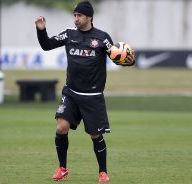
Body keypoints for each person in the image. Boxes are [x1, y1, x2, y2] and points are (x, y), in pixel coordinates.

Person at [35, 0, 134, 182]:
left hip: (92, 96)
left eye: (79, 15)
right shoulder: (69, 35)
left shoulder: (102, 38)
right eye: (74, 15)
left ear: (89, 17)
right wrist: (41, 30)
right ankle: (62, 168)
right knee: (61, 127)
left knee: (95, 135)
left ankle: (102, 172)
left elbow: (117, 57)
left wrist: (129, 61)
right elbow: (46, 45)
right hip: (71, 93)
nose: (76, 19)